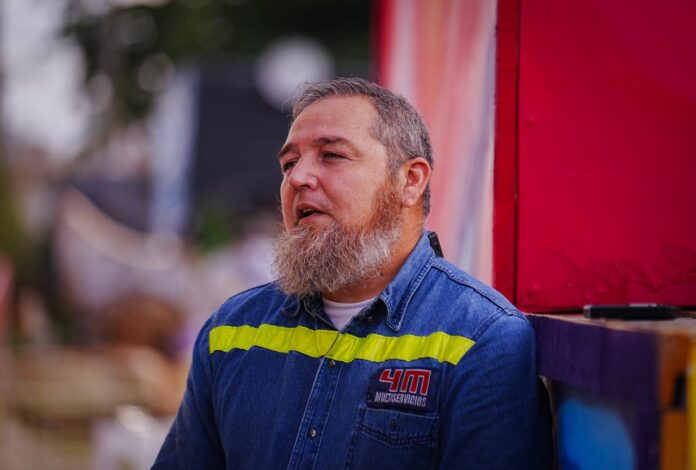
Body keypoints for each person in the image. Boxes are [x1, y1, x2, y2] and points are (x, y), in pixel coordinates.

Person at [154, 78, 550, 469]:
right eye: (289, 164)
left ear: (410, 181)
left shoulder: (483, 338)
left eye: (332, 155)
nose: (297, 178)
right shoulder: (230, 331)